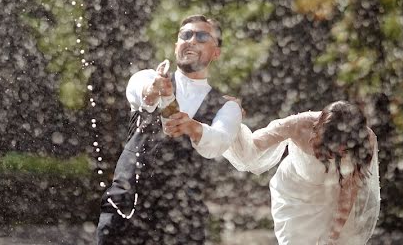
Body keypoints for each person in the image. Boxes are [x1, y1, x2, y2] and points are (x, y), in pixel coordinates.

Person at [97, 14, 243, 245]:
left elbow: (218, 142)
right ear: (176, 46)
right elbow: (141, 92)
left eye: (202, 36)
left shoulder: (227, 107)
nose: (192, 40)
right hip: (126, 207)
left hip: (180, 219)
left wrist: (193, 127)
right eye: (186, 35)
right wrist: (156, 89)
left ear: (216, 52)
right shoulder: (146, 77)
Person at [223, 100, 380, 244]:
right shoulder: (299, 125)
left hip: (334, 194)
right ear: (320, 132)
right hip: (295, 195)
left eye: (345, 147)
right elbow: (252, 148)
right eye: (334, 144)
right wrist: (231, 120)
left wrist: (333, 234)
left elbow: (349, 190)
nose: (339, 150)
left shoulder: (365, 139)